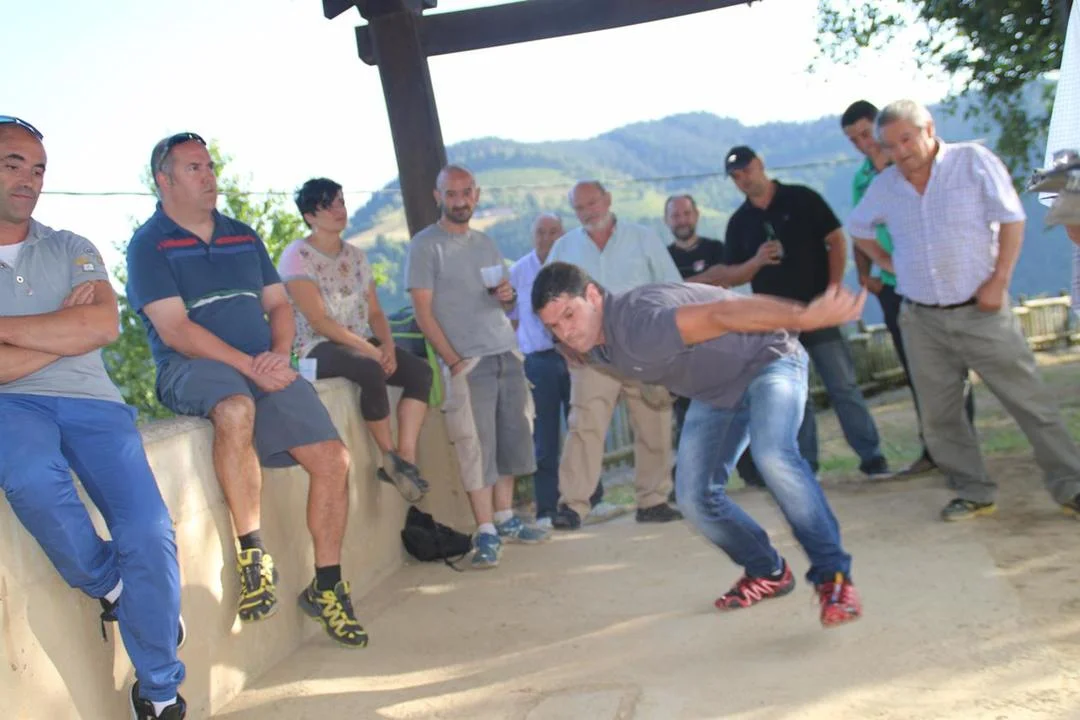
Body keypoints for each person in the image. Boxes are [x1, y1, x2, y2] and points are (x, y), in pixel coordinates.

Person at [126, 132, 367, 647]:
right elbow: (176, 330)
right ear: (164, 179)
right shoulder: (149, 245)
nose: (209, 176)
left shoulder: (242, 235)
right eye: (194, 168)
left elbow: (278, 305)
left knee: (334, 459)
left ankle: (327, 586)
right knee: (235, 408)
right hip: (191, 367)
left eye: (210, 166)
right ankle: (253, 554)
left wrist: (277, 355)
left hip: (262, 364)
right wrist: (250, 366)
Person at [532, 261, 864, 628]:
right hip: (716, 393)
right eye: (554, 326)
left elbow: (724, 312)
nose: (566, 332)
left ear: (593, 295)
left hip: (769, 359)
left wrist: (806, 316)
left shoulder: (640, 324)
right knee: (693, 496)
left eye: (569, 315)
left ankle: (834, 577)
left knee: (773, 455)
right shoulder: (593, 341)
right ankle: (767, 571)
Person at [0, 116, 186, 719]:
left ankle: (159, 692)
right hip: (10, 404)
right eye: (12, 164)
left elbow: (102, 325)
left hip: (94, 402)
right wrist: (61, 330)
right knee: (31, 478)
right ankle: (115, 586)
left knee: (149, 530)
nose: (29, 180)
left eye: (38, 169)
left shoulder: (72, 246)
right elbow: (80, 331)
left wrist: (25, 334)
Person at [848, 99, 1080, 520]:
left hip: (982, 311)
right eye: (890, 145)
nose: (900, 152)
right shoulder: (885, 185)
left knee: (1031, 403)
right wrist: (889, 263)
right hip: (921, 318)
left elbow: (1012, 219)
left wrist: (999, 281)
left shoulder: (972, 161)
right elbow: (858, 227)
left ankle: (1072, 486)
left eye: (906, 139)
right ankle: (973, 491)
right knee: (940, 417)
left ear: (929, 129)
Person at [405, 164, 548, 569]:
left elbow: (505, 301)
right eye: (451, 194)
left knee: (511, 441)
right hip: (467, 361)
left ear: (476, 195)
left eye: (466, 192)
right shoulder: (424, 245)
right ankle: (485, 531)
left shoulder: (485, 242)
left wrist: (507, 295)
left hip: (506, 352)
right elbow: (422, 313)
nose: (460, 200)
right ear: (438, 197)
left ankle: (505, 518)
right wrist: (454, 361)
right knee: (475, 446)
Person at [723, 146, 891, 480]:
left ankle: (872, 458)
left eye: (746, 170)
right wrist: (756, 261)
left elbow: (837, 240)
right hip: (776, 323)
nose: (743, 179)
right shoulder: (739, 222)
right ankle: (806, 467)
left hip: (819, 311)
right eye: (736, 176)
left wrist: (833, 289)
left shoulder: (802, 198)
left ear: (760, 164)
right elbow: (732, 275)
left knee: (843, 386)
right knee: (794, 396)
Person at [841, 100, 976, 476]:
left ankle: (964, 449)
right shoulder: (861, 178)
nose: (863, 144)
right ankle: (933, 448)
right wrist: (867, 273)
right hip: (892, 287)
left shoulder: (911, 165)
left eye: (866, 134)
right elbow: (859, 227)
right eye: (854, 140)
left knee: (952, 371)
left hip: (935, 282)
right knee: (918, 371)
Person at [279, 178, 432, 502]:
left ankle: (406, 459)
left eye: (341, 202)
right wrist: (370, 351)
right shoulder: (296, 256)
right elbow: (319, 321)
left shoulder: (357, 257)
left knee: (420, 372)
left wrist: (388, 347)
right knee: (369, 369)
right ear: (309, 215)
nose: (339, 210)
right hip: (314, 347)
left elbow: (375, 312)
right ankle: (389, 456)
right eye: (328, 205)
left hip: (360, 341)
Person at [544, 181, 684, 529]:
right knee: (584, 427)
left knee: (654, 424)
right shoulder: (563, 247)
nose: (588, 212)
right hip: (590, 354)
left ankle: (653, 501)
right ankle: (573, 506)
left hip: (643, 348)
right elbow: (545, 300)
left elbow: (673, 288)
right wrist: (561, 342)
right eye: (579, 207)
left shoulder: (643, 238)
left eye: (593, 203)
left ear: (607, 199)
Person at [508, 213, 606, 529]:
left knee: (585, 427)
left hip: (578, 355)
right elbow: (510, 319)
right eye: (541, 232)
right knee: (544, 438)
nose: (547, 238)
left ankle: (592, 500)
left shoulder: (572, 268)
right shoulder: (518, 272)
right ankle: (546, 509)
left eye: (554, 232)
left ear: (563, 235)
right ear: (532, 236)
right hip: (539, 361)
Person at [664, 194, 763, 489]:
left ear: (696, 215)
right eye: (675, 215)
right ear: (667, 221)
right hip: (682, 347)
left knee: (737, 406)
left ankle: (753, 473)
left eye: (686, 213)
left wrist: (686, 288)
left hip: (722, 341)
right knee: (687, 417)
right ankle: (689, 481)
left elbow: (728, 284)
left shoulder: (717, 249)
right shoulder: (662, 258)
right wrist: (708, 279)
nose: (682, 220)